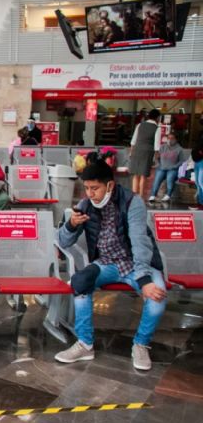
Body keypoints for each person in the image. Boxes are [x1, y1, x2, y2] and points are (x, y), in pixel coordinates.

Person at [55, 161, 167, 371]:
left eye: (95, 188)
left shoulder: (132, 202)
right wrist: (71, 225)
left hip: (136, 264)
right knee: (81, 282)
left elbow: (140, 243)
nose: (90, 194)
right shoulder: (86, 205)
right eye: (87, 188)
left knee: (157, 301)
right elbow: (62, 242)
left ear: (110, 185)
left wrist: (144, 280)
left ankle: (141, 344)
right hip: (106, 263)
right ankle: (85, 344)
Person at [129, 108, 161, 198]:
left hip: (136, 150)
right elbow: (156, 146)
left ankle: (134, 197)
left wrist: (131, 153)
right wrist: (156, 158)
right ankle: (141, 197)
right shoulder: (157, 128)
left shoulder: (140, 125)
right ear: (157, 117)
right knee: (143, 176)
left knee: (135, 175)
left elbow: (133, 141)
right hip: (147, 152)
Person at [149, 132, 184, 202]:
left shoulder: (179, 149)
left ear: (176, 139)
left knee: (170, 180)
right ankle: (153, 195)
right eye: (168, 138)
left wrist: (175, 166)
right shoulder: (163, 147)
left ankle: (168, 195)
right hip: (161, 168)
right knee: (156, 181)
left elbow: (181, 161)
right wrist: (158, 163)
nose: (170, 140)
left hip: (172, 169)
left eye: (172, 138)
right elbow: (157, 157)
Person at [192, 139, 203, 211]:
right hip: (196, 162)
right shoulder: (200, 140)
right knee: (197, 182)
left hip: (201, 162)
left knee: (201, 182)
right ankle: (200, 202)